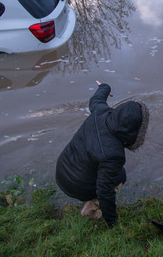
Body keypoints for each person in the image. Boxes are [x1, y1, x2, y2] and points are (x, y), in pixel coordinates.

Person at [55, 81, 149, 227]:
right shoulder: (114, 155)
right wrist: (113, 222)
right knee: (120, 175)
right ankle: (91, 209)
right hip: (75, 186)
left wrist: (104, 87)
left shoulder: (101, 112)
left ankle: (88, 198)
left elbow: (96, 100)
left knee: (108, 173)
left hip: (61, 171)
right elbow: (105, 191)